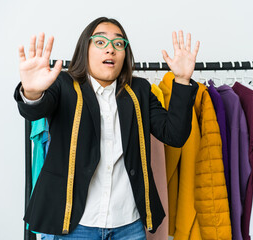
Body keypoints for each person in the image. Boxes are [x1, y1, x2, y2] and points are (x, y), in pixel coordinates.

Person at [14, 17, 200, 240]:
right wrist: (32, 93)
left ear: (125, 54)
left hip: (128, 225)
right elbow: (33, 111)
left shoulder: (140, 90)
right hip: (76, 224)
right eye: (100, 42)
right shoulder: (63, 85)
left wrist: (181, 81)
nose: (110, 49)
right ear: (85, 49)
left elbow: (174, 135)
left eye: (118, 44)